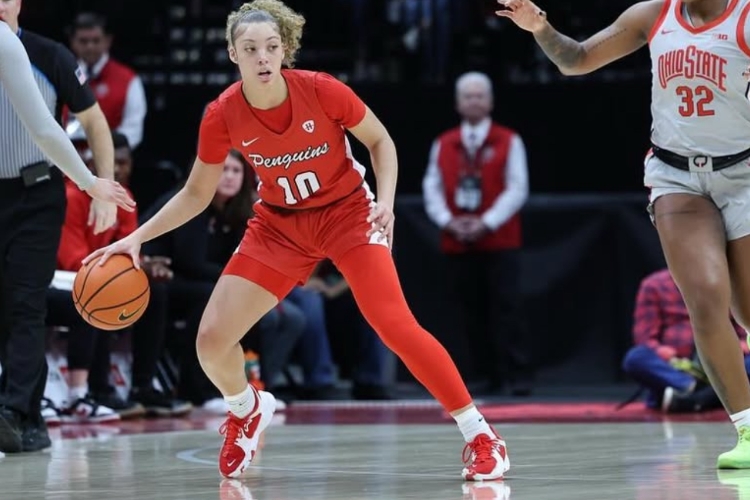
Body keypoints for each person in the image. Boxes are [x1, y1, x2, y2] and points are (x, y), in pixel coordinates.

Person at [85, 0, 508, 481]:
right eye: (250, 49)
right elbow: (196, 194)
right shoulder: (222, 114)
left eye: (271, 47)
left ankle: (481, 435)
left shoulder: (321, 89)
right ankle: (246, 409)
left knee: (394, 325)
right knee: (211, 342)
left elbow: (381, 142)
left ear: (284, 49)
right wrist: (136, 239)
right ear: (233, 54)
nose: (262, 57)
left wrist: (386, 201)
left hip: (347, 214)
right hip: (279, 225)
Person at [497, 0, 750, 467]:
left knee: (746, 310)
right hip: (676, 177)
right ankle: (747, 430)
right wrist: (540, 28)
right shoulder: (652, 14)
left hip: (744, 174)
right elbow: (575, 59)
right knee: (705, 297)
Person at [0, 12, 134, 453]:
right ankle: (29, 415)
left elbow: (89, 123)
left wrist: (99, 186)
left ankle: (14, 410)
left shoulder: (48, 54)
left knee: (25, 303)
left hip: (36, 194)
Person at [423, 71, 532, 396]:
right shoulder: (443, 143)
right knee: (469, 311)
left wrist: (486, 221)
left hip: (499, 241)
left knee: (507, 307)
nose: (473, 101)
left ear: (490, 102)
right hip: (457, 241)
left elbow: (517, 188)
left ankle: (517, 374)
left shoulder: (509, 140)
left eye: (479, 95)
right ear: (458, 103)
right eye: (467, 96)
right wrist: (449, 221)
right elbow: (431, 188)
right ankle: (482, 375)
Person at [622, 268, 750, 413]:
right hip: (677, 366)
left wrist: (739, 346)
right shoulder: (654, 285)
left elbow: (744, 330)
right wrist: (660, 351)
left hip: (723, 362)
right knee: (635, 358)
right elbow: (644, 338)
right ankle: (697, 390)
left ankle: (694, 400)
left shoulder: (723, 282)